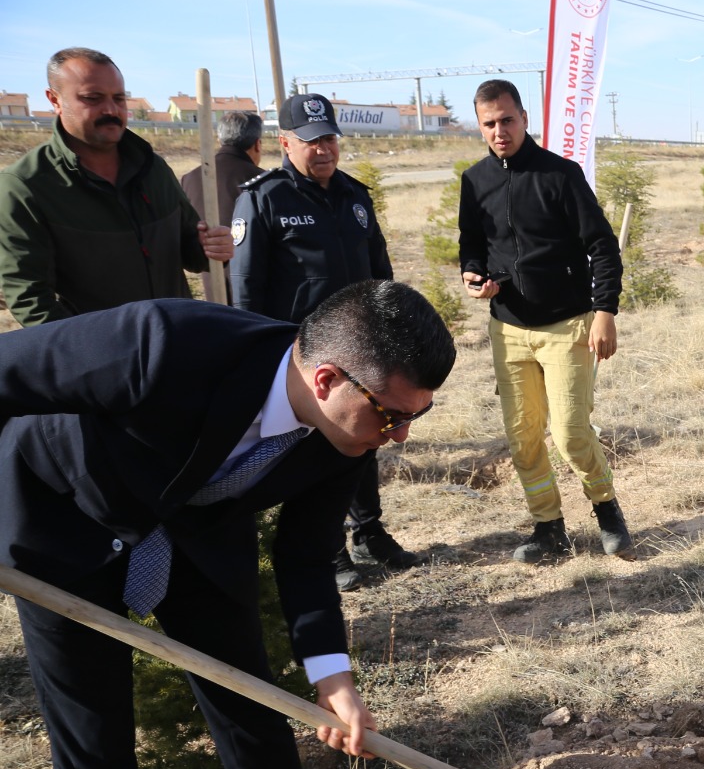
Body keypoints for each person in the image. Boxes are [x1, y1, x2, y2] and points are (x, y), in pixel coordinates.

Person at [0, 280, 455, 769]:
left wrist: (332, 677)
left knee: (251, 703)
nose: (399, 436)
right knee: (94, 738)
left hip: (198, 537)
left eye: (415, 417)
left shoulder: (348, 432)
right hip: (68, 529)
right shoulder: (161, 344)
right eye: (393, 416)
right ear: (327, 379)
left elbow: (305, 557)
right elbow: (7, 372)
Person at [231, 93, 419, 591]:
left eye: (329, 139)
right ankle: (327, 548)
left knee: (366, 437)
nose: (324, 150)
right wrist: (258, 358)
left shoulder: (354, 196)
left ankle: (369, 532)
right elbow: (246, 289)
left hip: (359, 351)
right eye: (312, 141)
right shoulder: (264, 198)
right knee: (309, 451)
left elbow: (381, 273)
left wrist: (387, 333)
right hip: (300, 358)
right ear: (285, 143)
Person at [458, 78, 632, 564]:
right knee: (523, 437)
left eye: (507, 120)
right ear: (480, 127)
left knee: (572, 433)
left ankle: (607, 511)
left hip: (567, 325)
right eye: (489, 124)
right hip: (508, 329)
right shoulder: (474, 181)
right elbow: (471, 243)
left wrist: (605, 312)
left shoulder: (561, 175)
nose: (499, 131)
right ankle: (548, 527)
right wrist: (473, 274)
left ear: (524, 118)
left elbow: (603, 247)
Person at [0, 47, 233, 327]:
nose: (111, 110)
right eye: (92, 98)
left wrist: (213, 246)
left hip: (178, 336)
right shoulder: (26, 186)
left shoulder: (153, 168)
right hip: (102, 350)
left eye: (119, 98)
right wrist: (86, 349)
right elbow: (30, 298)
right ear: (55, 99)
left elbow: (193, 252)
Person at [180, 110, 263, 304]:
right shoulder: (263, 181)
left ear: (220, 139)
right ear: (257, 144)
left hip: (213, 290)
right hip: (254, 293)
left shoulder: (190, 178)